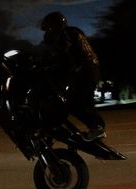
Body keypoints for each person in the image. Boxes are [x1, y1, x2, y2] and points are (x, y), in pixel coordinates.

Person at [39, 11, 106, 141]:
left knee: (73, 103)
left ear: (55, 25)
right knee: (85, 103)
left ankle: (97, 127)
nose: (47, 32)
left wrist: (47, 64)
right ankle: (97, 129)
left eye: (48, 28)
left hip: (84, 70)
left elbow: (64, 56)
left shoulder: (65, 34)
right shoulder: (73, 32)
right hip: (90, 69)